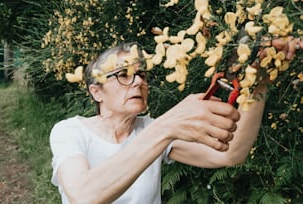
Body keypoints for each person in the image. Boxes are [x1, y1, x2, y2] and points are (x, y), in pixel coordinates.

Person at [50, 39, 301, 204]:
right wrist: (167, 126)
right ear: (96, 92)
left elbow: (230, 154)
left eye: (141, 74)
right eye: (123, 74)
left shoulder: (148, 129)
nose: (138, 81)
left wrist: (259, 83)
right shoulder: (69, 131)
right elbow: (84, 195)